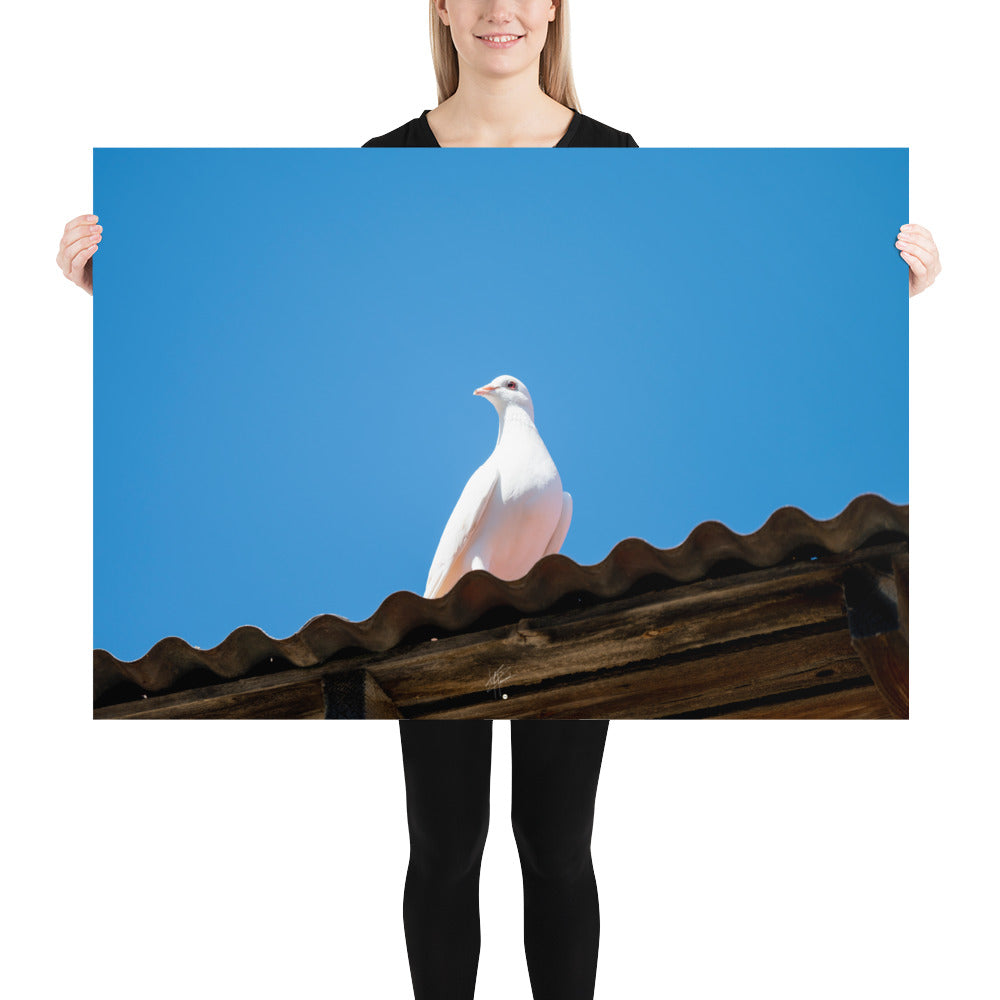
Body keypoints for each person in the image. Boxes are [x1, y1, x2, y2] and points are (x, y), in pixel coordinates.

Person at [62, 3, 940, 998]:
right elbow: (447, 565)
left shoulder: (615, 158)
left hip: (555, 628)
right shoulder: (380, 161)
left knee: (556, 844)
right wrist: (123, 289)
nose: (496, 8)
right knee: (446, 843)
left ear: (558, 7)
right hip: (455, 621)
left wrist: (886, 290)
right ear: (436, 7)